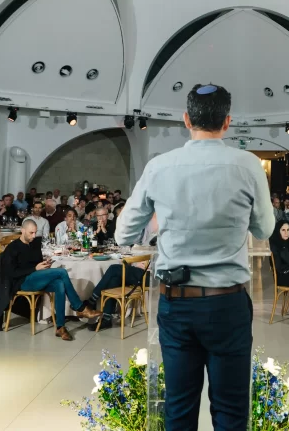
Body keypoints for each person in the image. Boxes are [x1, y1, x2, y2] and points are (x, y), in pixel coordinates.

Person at [115, 83, 275, 431]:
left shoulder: (160, 166)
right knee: (232, 413)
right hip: (227, 303)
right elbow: (264, 229)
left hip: (177, 302)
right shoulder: (247, 165)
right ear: (227, 122)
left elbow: (123, 234)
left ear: (186, 119)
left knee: (178, 410)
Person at [0, 219, 101, 339]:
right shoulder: (13, 248)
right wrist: (35, 268)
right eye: (31, 233)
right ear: (22, 231)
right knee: (62, 272)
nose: (33, 236)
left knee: (59, 284)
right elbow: (12, 273)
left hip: (34, 278)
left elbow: (34, 263)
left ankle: (60, 327)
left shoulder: (34, 244)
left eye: (35, 233)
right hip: (21, 282)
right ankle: (79, 307)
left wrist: (43, 263)